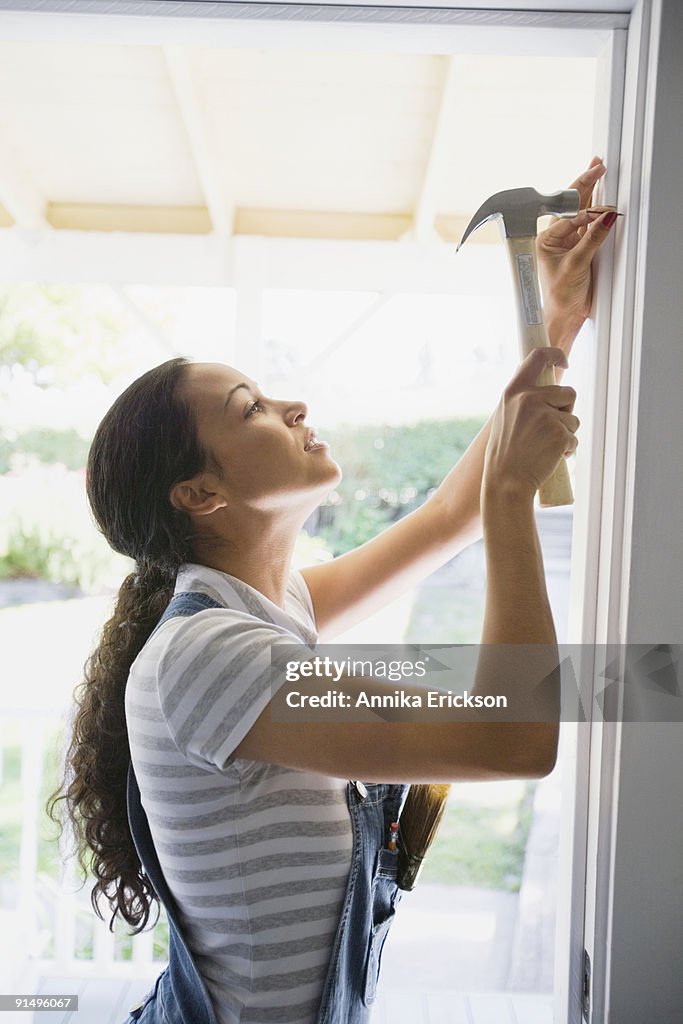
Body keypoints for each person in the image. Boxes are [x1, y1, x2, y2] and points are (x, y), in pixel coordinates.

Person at [48, 159, 617, 1024]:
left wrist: (551, 327)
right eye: (251, 407)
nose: (293, 403)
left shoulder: (266, 616)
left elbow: (445, 515)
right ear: (200, 495)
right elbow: (510, 735)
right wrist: (512, 498)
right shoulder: (211, 657)